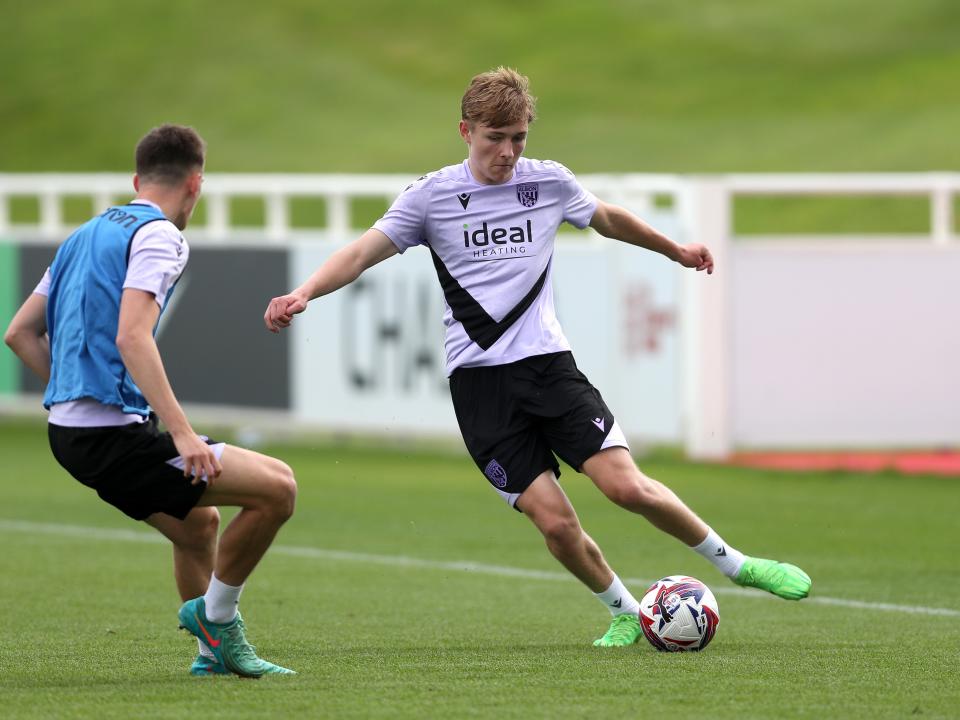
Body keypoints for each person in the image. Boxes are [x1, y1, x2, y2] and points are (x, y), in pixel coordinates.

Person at [263, 68, 811, 647]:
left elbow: (608, 218)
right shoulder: (431, 196)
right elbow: (359, 253)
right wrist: (304, 293)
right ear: (465, 131)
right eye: (493, 138)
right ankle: (625, 611)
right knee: (555, 521)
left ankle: (738, 564)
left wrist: (674, 249)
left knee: (626, 487)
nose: (506, 151)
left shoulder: (548, 183)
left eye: (518, 137)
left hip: (549, 368)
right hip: (480, 389)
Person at [5, 124, 298, 676]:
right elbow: (132, 335)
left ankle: (211, 657)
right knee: (278, 488)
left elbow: (19, 333)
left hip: (70, 433)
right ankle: (219, 623)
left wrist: (70, 393)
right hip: (109, 435)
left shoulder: (83, 235)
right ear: (196, 184)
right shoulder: (162, 236)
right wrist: (184, 434)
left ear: (137, 179)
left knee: (198, 527)